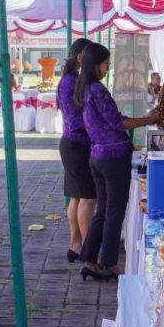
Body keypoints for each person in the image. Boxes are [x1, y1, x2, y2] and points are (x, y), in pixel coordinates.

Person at [75, 43, 152, 281]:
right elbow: (118, 123)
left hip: (97, 155)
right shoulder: (96, 89)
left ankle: (89, 259)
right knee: (114, 213)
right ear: (95, 64)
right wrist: (148, 119)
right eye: (106, 64)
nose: (108, 68)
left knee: (103, 211)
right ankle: (108, 262)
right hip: (112, 156)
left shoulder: (83, 88)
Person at [57, 38, 97, 263]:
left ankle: (76, 244)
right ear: (81, 58)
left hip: (74, 143)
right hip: (77, 143)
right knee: (88, 198)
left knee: (76, 197)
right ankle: (87, 247)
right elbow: (76, 120)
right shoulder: (72, 82)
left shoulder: (70, 79)